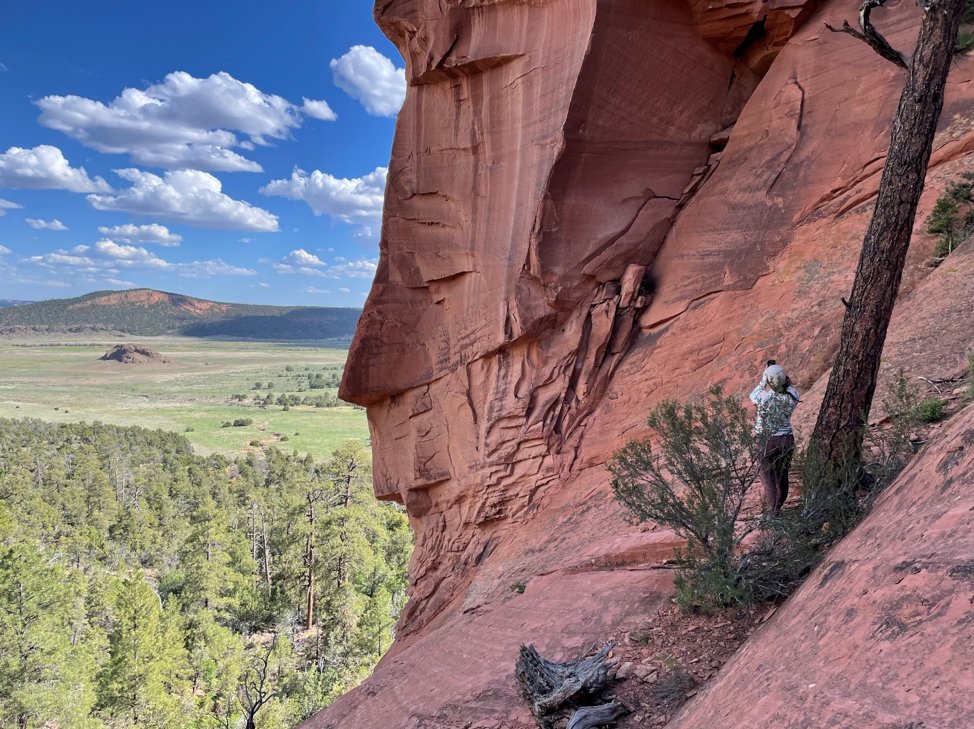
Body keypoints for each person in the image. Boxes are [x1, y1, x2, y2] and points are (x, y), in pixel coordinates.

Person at [749, 361, 800, 513]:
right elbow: (788, 386)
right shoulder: (793, 395)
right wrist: (779, 374)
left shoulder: (764, 398)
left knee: (767, 477)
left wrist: (765, 376)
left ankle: (773, 512)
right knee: (782, 474)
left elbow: (753, 395)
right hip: (786, 439)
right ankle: (778, 505)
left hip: (767, 441)